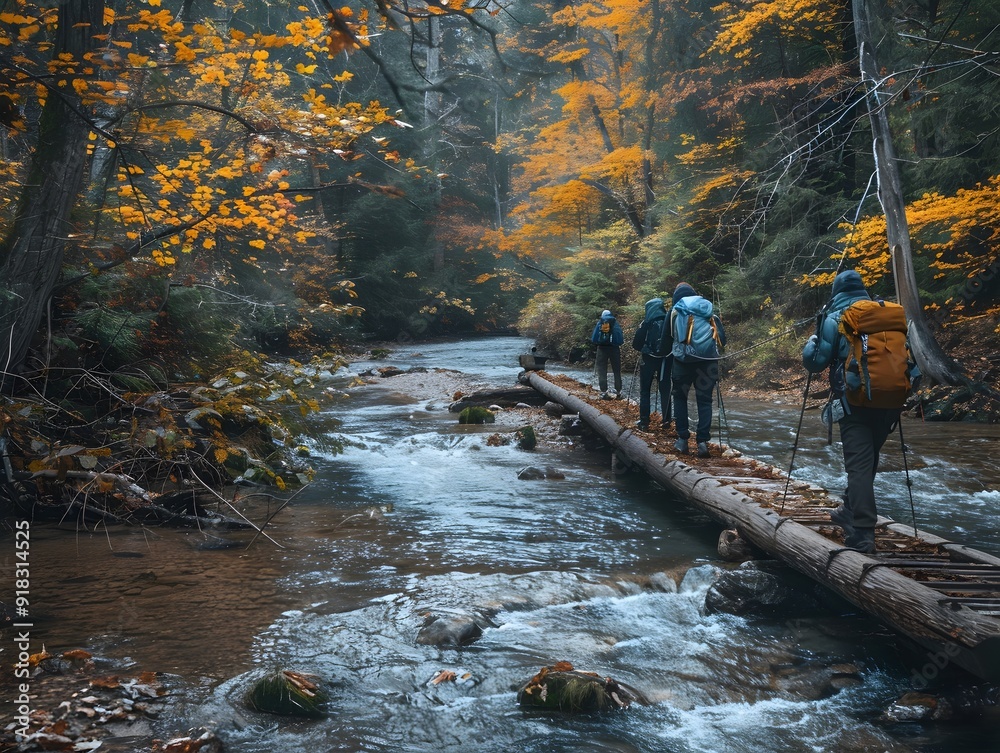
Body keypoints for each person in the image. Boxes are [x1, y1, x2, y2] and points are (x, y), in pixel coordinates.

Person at [801, 269, 914, 553]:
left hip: (855, 403)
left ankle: (862, 532)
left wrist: (810, 345)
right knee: (869, 460)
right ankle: (849, 508)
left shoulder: (835, 319)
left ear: (836, 292)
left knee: (859, 466)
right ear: (862, 289)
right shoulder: (887, 316)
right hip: (890, 402)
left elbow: (816, 362)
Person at [669, 282, 726, 458]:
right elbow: (723, 339)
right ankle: (702, 442)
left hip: (682, 362)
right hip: (707, 363)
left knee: (680, 398)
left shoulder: (675, 312)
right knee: (705, 401)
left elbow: (667, 338)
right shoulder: (708, 311)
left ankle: (682, 440)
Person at [630, 297, 672, 430]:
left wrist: (645, 349)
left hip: (648, 360)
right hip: (666, 360)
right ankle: (666, 421)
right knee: (665, 390)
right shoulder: (669, 321)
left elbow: (636, 344)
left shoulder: (646, 323)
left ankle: (644, 422)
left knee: (645, 391)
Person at [590, 309, 624, 399]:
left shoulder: (600, 323)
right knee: (616, 371)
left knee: (602, 371)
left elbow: (594, 338)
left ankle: (603, 392)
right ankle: (618, 392)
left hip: (602, 349)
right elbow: (620, 339)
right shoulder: (615, 323)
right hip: (614, 349)